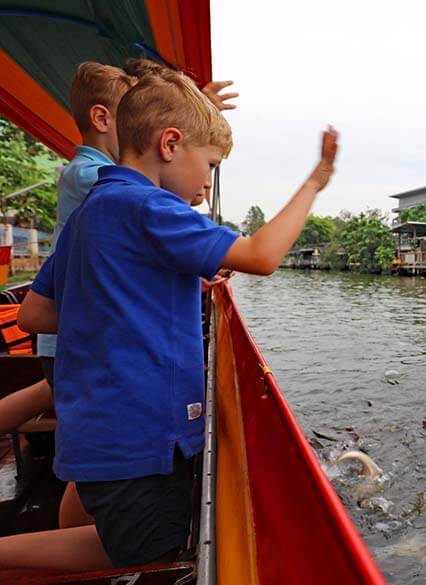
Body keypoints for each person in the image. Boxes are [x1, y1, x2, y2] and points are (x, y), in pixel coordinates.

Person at [5, 67, 338, 571]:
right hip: (140, 438)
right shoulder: (150, 206)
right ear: (169, 144)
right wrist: (315, 182)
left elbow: (36, 312)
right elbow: (263, 256)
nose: (207, 182)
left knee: (123, 533)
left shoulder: (93, 208)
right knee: (152, 548)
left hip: (95, 431)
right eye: (209, 164)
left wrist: (130, 306)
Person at [0, 60, 239, 532]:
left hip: (79, 333)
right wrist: (189, 138)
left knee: (86, 465)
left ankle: (74, 541)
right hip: (92, 343)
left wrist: (192, 127)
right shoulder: (106, 185)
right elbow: (151, 206)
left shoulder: (105, 186)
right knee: (95, 460)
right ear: (108, 120)